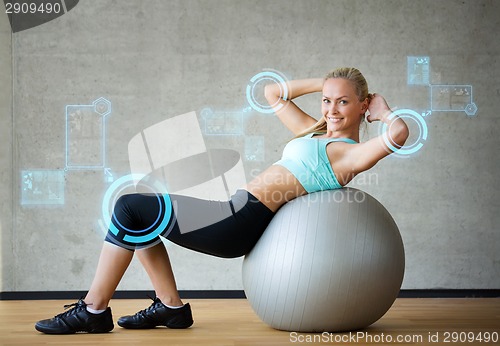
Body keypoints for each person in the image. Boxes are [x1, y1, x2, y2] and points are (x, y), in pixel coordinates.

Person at [35, 67, 409, 334]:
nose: (330, 110)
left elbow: (400, 133)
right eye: (327, 100)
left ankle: (93, 310)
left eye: (343, 102)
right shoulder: (315, 132)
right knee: (137, 217)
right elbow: (272, 93)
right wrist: (325, 82)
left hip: (242, 220)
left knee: (130, 207)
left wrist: (385, 110)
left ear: (362, 106)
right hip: (235, 207)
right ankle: (170, 309)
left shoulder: (349, 153)